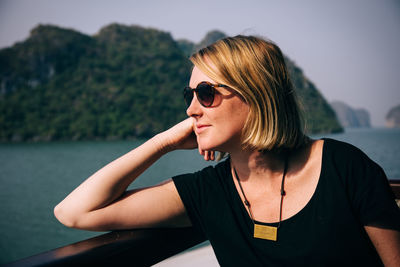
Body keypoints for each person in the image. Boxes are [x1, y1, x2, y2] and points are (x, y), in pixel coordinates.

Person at [54, 35, 400, 266]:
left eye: (205, 93)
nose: (191, 109)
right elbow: (75, 212)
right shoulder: (210, 191)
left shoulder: (344, 167)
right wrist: (164, 142)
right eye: (188, 95)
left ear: (256, 94)